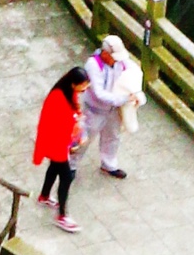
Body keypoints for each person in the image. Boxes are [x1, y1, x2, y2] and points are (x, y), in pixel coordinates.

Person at [33, 64, 90, 230]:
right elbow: (60, 125)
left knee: (54, 168)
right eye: (83, 86)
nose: (84, 89)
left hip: (57, 142)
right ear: (74, 84)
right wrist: (72, 141)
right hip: (57, 143)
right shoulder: (59, 98)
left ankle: (44, 195)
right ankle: (62, 215)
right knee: (66, 177)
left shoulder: (63, 93)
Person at [81, 32, 144, 177]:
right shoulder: (93, 65)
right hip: (95, 109)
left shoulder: (120, 63)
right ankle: (71, 163)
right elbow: (99, 93)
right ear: (104, 53)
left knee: (112, 137)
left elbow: (133, 69)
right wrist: (123, 98)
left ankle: (109, 164)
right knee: (85, 137)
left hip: (113, 109)